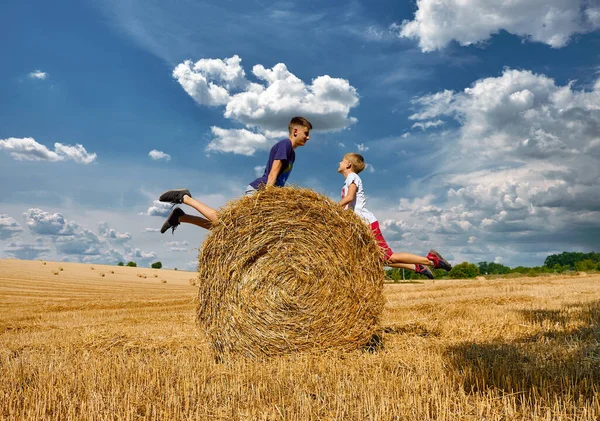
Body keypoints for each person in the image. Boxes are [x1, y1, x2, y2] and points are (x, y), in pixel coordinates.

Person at [158, 116, 313, 234]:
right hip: (260, 192)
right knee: (227, 225)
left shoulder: (292, 155)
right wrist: (266, 199)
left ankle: (180, 217)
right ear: (295, 131)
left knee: (229, 232)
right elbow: (273, 174)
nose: (308, 137)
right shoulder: (285, 145)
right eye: (306, 133)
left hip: (266, 194)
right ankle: (185, 198)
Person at [338, 152, 452, 279]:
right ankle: (416, 267)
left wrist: (333, 208)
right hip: (360, 226)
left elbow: (350, 197)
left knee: (388, 256)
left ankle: (431, 260)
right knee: (380, 259)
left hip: (366, 223)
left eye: (342, 160)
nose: (339, 162)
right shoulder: (348, 180)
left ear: (348, 164)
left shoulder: (352, 177)